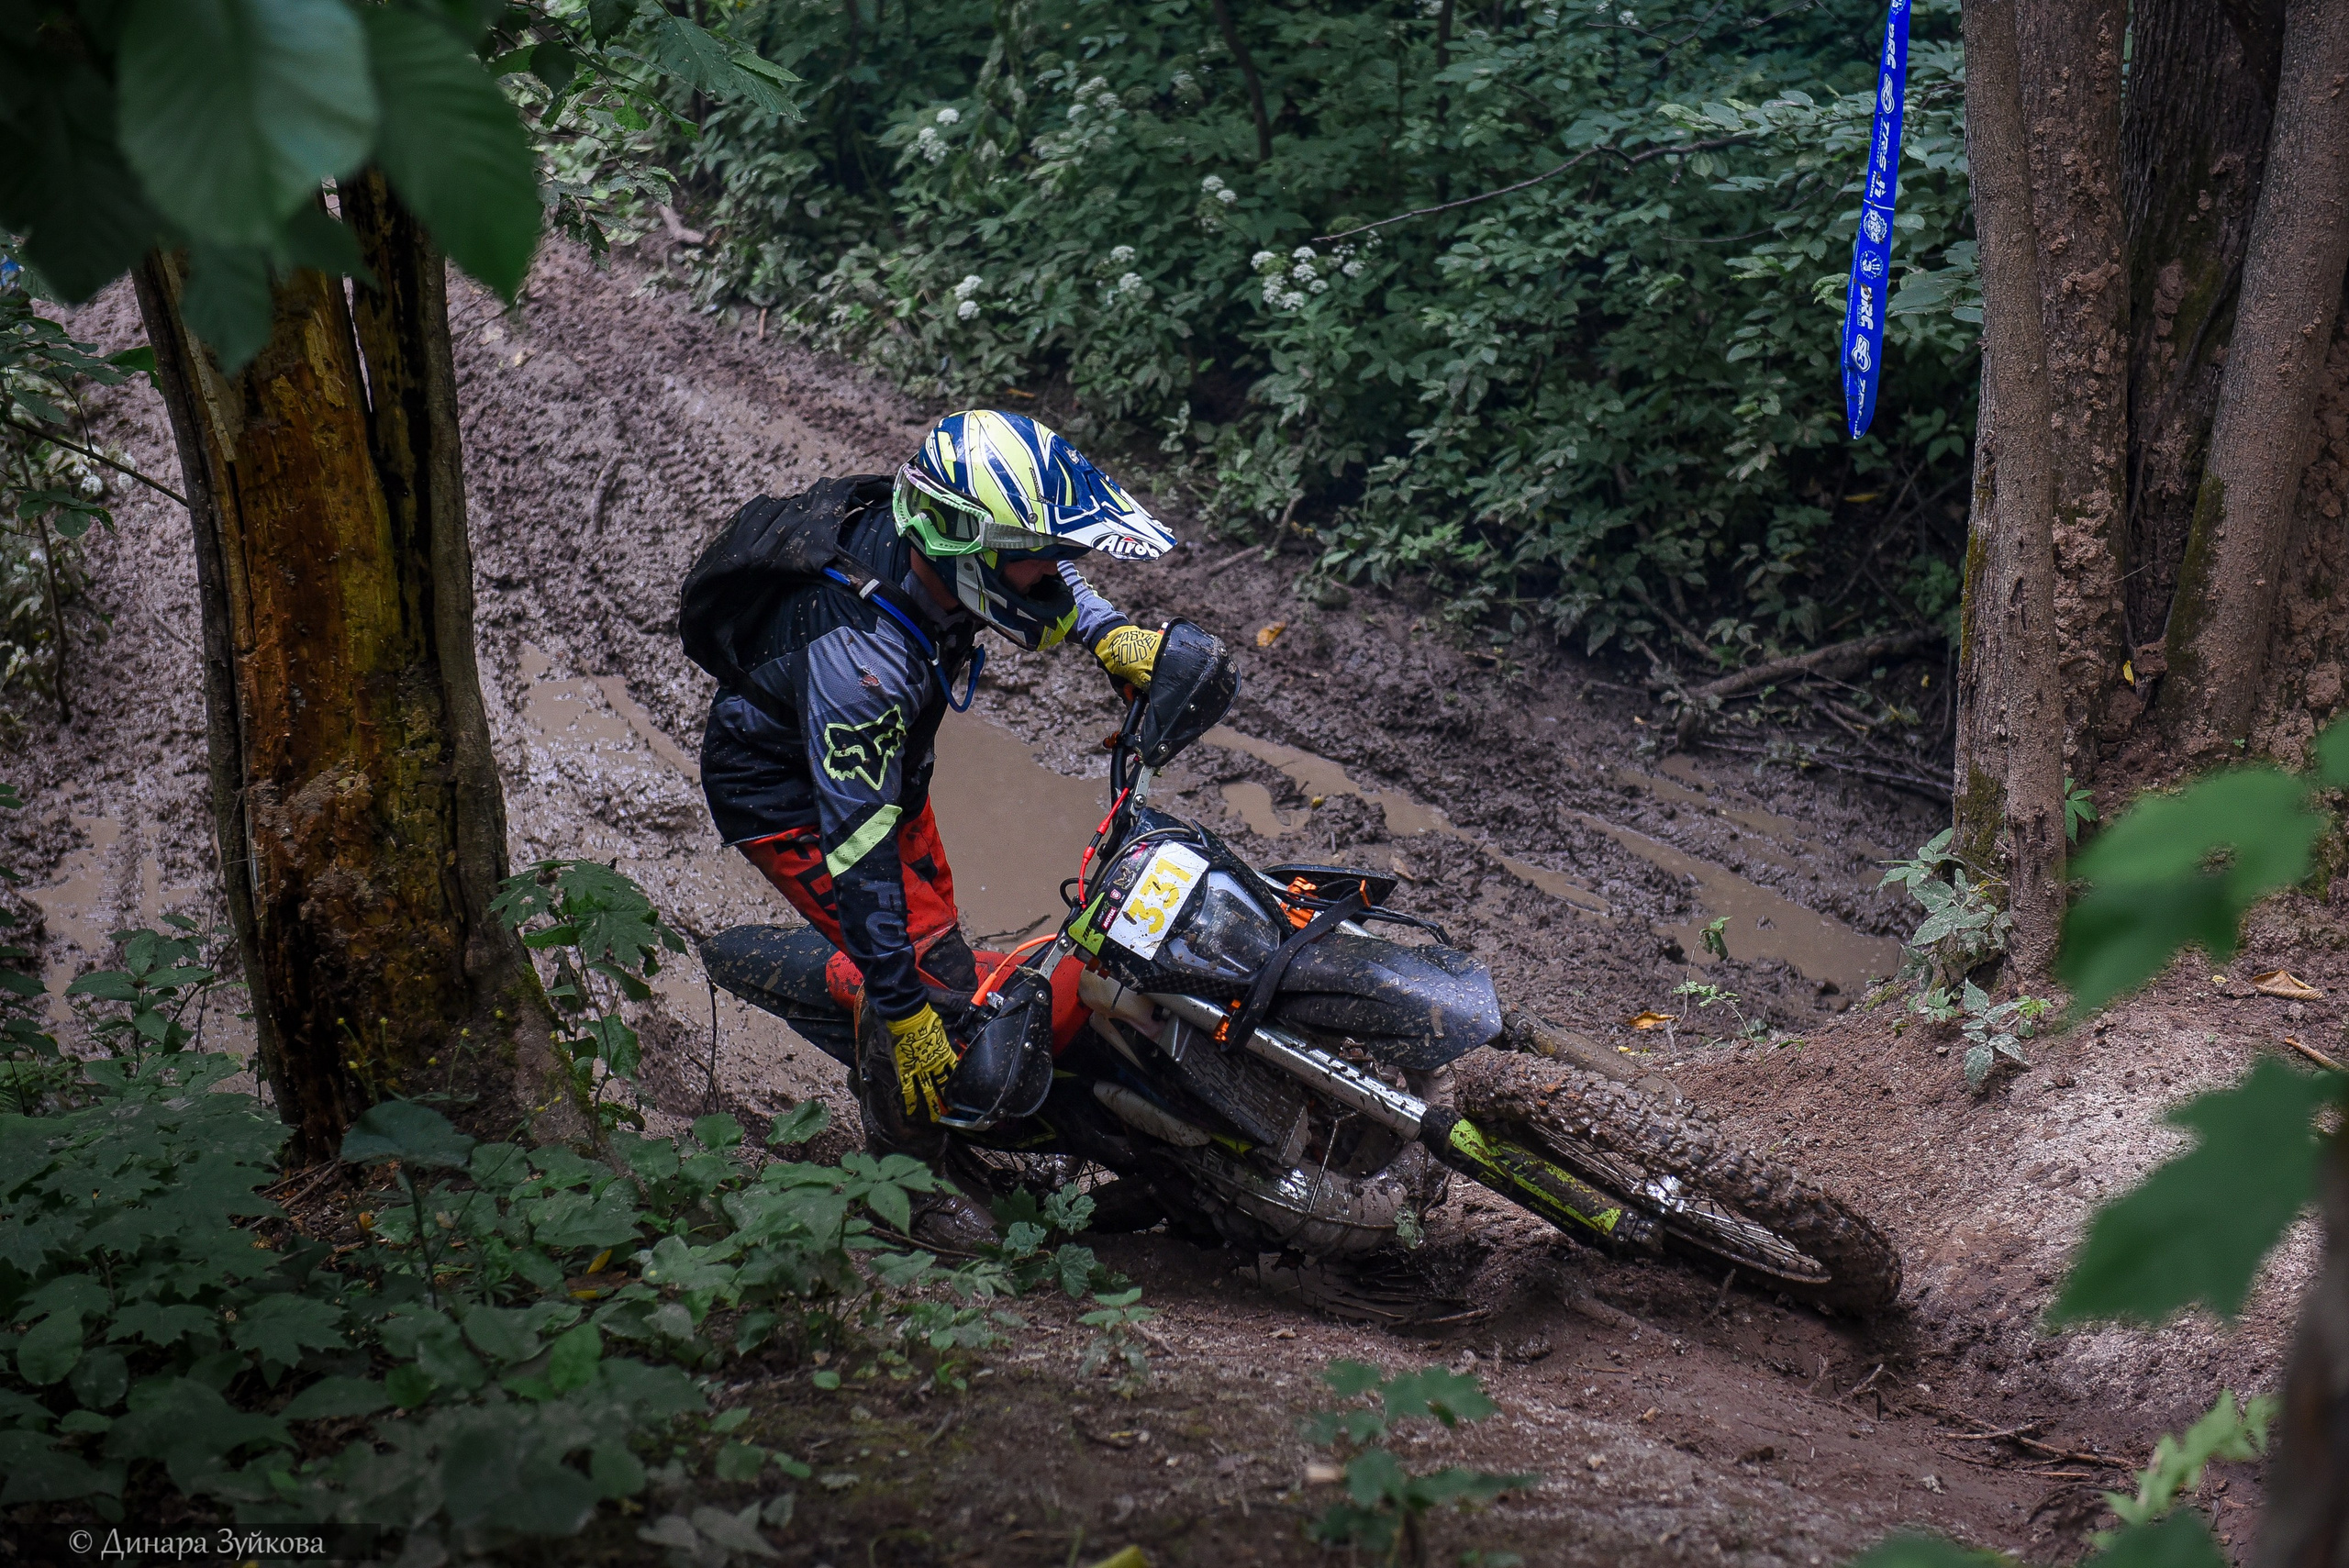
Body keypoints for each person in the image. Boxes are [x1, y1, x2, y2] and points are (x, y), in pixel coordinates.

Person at [698, 409, 1174, 1150]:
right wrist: (905, 1005)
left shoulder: (941, 548)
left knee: (936, 946)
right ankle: (908, 1183)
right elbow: (860, 857)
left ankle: (890, 981)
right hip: (788, 797)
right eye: (1043, 553)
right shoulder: (863, 663)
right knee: (929, 993)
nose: (1058, 565)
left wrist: (1107, 628)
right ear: (972, 552)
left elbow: (1040, 571)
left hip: (879, 764)